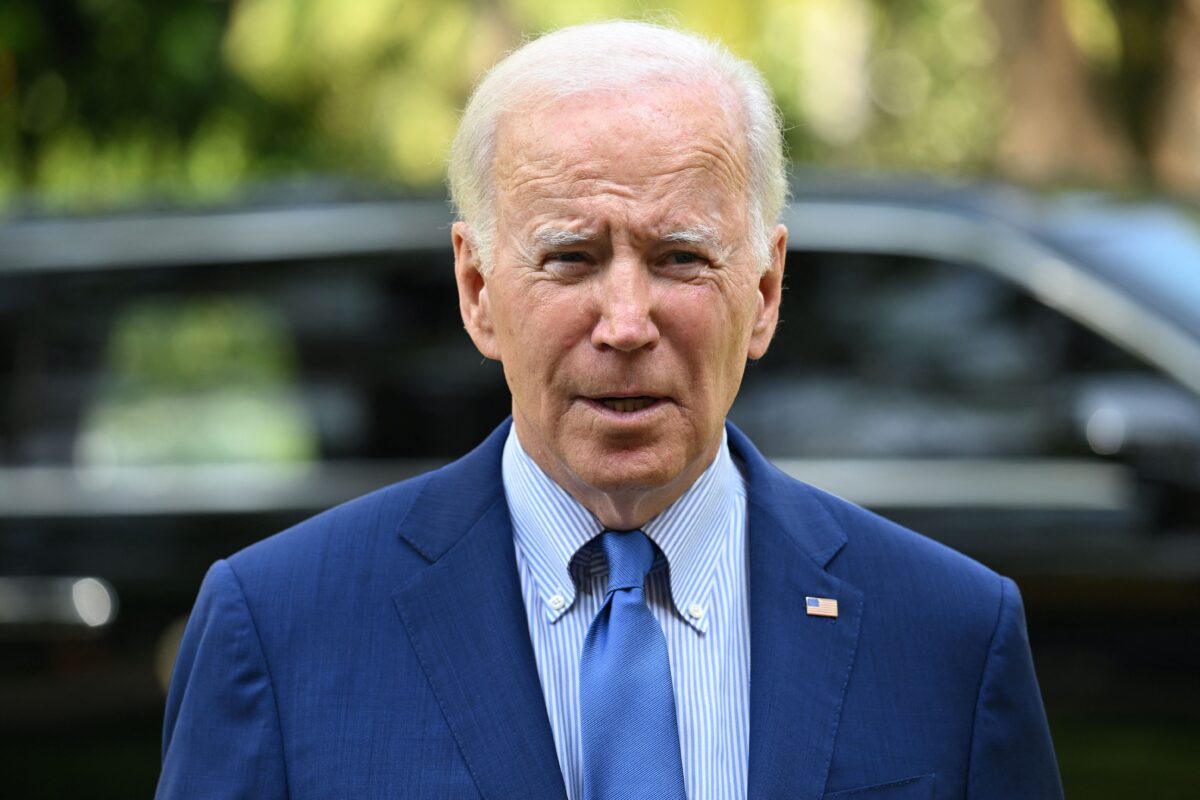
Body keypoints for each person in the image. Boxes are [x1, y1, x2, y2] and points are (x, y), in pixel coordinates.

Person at [156, 20, 1063, 800]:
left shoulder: (948, 633)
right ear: (477, 289)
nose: (626, 324)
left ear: (766, 289)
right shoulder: (278, 629)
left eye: (678, 257)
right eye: (571, 260)